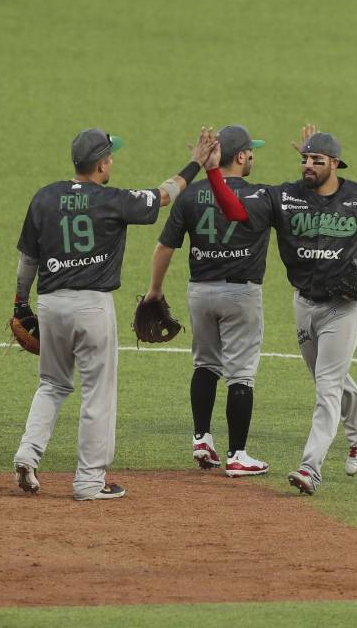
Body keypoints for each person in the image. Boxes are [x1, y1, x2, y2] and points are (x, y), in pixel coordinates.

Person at [12, 127, 216, 500]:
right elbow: (164, 195)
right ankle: (90, 481)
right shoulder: (113, 200)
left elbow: (28, 258)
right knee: (97, 394)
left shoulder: (44, 197)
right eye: (111, 157)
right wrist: (195, 164)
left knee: (52, 384)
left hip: (51, 303)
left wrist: (20, 302)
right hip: (92, 307)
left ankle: (28, 453)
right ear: (103, 163)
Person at [208, 127, 357, 495]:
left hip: (345, 306)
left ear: (336, 165)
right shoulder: (283, 197)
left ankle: (309, 467)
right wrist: (214, 173)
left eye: (317, 160)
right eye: (305, 159)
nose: (308, 165)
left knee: (327, 386)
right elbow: (234, 212)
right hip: (305, 303)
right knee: (328, 377)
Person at [147, 125, 272, 477]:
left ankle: (201, 438)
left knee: (205, 365)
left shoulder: (190, 196)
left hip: (199, 292)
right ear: (243, 156)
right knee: (241, 375)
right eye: (252, 151)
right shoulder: (260, 195)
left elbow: (164, 248)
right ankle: (237, 455)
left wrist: (155, 290)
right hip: (241, 293)